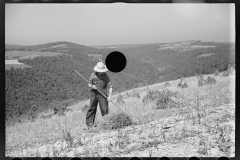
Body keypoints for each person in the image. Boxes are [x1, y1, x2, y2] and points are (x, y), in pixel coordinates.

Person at [85, 61, 113, 129]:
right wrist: (92, 86)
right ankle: (89, 125)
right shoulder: (93, 75)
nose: (101, 72)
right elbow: (89, 84)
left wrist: (110, 96)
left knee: (104, 109)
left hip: (103, 95)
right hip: (93, 94)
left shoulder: (105, 76)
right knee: (92, 108)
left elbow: (110, 86)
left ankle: (107, 124)